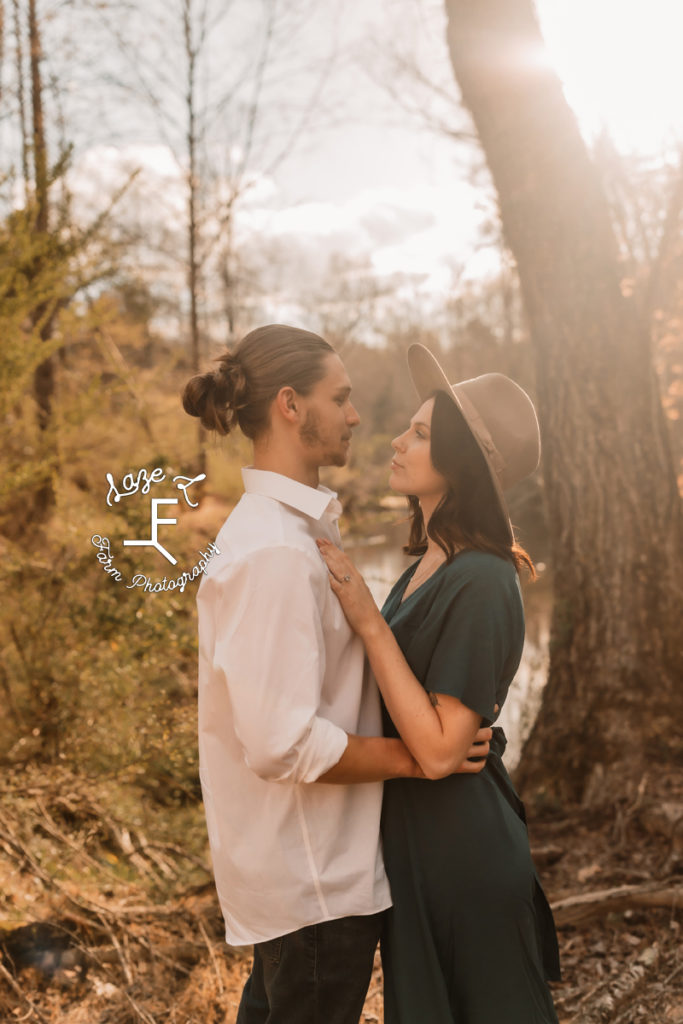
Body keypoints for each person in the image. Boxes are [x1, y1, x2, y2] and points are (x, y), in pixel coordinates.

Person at [181, 325, 493, 1024]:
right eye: (341, 398)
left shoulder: (292, 534)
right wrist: (417, 760)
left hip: (307, 879)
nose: (356, 416)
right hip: (314, 880)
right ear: (290, 406)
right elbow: (280, 743)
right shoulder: (276, 554)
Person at [317, 343, 561, 1024]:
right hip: (418, 851)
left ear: (462, 463)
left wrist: (366, 619)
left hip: (462, 855)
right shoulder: (427, 563)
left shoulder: (482, 579)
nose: (395, 439)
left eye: (420, 433)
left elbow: (440, 751)